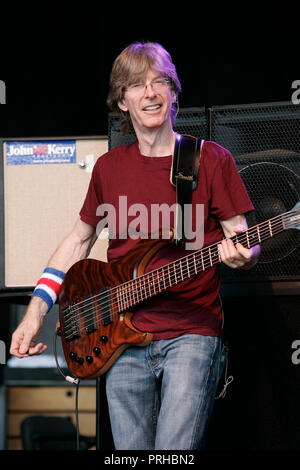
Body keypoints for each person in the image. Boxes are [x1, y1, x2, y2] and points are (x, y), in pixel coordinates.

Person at [10, 41, 260, 450]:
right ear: (121, 101)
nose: (150, 93)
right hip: (118, 337)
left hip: (191, 332)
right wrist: (35, 312)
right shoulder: (109, 168)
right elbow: (78, 241)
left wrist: (243, 257)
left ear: (173, 93)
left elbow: (244, 242)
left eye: (160, 82)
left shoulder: (210, 160)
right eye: (137, 85)